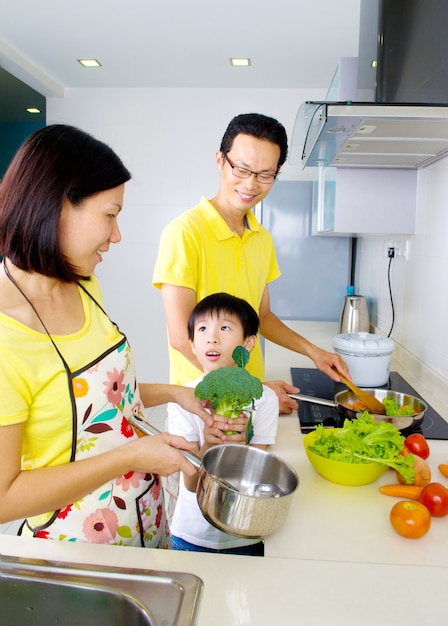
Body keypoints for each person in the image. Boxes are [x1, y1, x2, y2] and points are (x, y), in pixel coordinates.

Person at [0, 124, 214, 548]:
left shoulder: (82, 284)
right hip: (76, 553)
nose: (116, 235)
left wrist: (176, 393)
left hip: (145, 522)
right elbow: (4, 498)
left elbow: (103, 394)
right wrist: (133, 455)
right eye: (110, 215)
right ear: (57, 205)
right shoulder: (7, 336)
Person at [152, 112, 349, 416]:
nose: (251, 184)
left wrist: (315, 353)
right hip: (202, 400)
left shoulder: (262, 238)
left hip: (247, 393)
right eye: (241, 169)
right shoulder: (184, 233)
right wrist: (249, 390)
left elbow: (263, 316)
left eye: (265, 174)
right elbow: (182, 338)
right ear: (220, 160)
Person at [167, 292, 279, 555]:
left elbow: (255, 478)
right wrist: (209, 443)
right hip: (192, 534)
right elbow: (191, 483)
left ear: (248, 344)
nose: (212, 337)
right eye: (202, 328)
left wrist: (241, 449)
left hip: (245, 533)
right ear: (193, 344)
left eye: (225, 328)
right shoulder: (182, 399)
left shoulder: (265, 399)